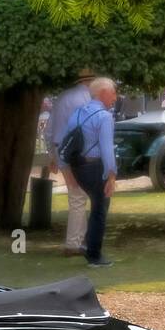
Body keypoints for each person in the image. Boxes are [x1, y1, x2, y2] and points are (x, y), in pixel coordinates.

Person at [63, 77, 118, 268]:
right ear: (103, 93)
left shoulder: (78, 112)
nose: (115, 97)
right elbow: (106, 148)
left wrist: (67, 170)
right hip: (95, 167)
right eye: (113, 92)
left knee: (97, 206)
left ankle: (88, 244)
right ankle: (94, 254)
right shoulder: (104, 116)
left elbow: (66, 141)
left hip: (78, 167)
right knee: (100, 209)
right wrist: (111, 174)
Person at [47, 69, 94, 256]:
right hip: (76, 151)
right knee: (78, 196)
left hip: (61, 148)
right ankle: (74, 243)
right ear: (91, 82)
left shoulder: (62, 97)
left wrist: (52, 155)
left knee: (77, 195)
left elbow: (49, 130)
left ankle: (77, 241)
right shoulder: (87, 100)